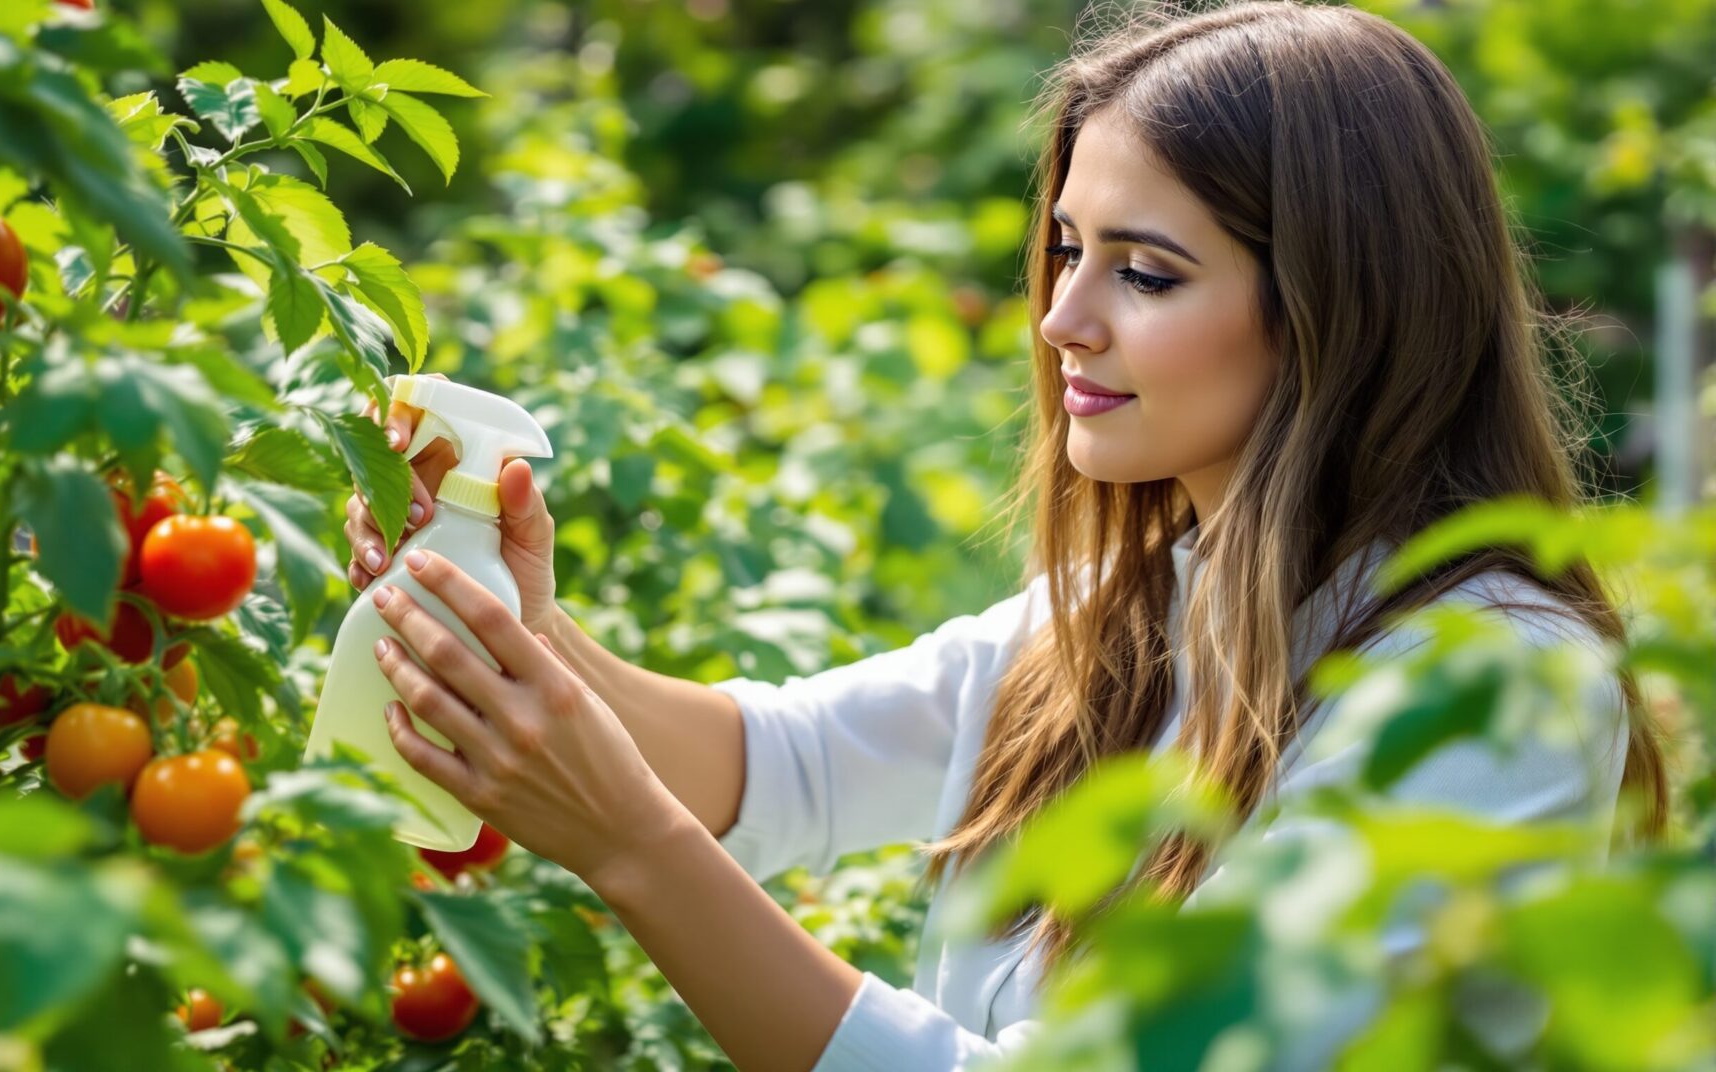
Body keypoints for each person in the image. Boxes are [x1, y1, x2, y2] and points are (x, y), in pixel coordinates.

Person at [338, 2, 1668, 1068]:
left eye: (1146, 273)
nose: (1061, 320)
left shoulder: (1491, 692)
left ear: (1342, 309)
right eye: (1067, 250)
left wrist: (633, 848)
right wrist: (518, 627)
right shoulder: (1127, 612)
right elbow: (780, 762)